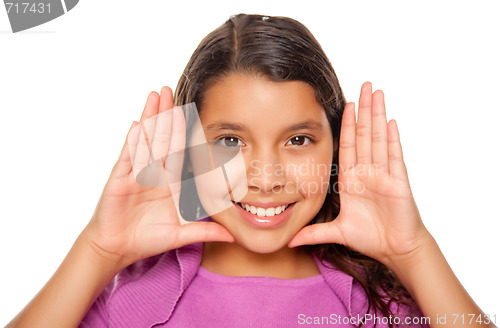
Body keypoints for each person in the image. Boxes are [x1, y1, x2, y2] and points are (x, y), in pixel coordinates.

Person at [7, 13, 495, 328]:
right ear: (187, 146)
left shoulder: (375, 304)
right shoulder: (135, 298)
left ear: (337, 147)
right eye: (230, 141)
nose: (265, 178)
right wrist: (98, 250)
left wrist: (413, 251)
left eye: (298, 139)